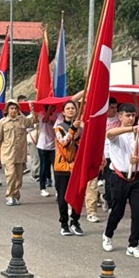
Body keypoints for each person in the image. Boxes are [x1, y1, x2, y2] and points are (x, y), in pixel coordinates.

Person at [102, 102, 139, 258]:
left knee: (137, 212)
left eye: (133, 115)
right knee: (118, 211)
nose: (131, 118)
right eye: (127, 115)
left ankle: (133, 245)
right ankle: (108, 234)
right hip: (119, 177)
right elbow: (110, 134)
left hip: (137, 177)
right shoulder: (117, 134)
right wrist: (131, 129)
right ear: (120, 116)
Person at [0, 100, 36, 206]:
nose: (14, 110)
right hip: (8, 153)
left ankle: (16, 195)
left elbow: (33, 121)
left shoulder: (22, 120)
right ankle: (9, 196)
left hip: (20, 153)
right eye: (12, 108)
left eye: (16, 108)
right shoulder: (3, 122)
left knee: (19, 177)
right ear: (7, 110)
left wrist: (32, 110)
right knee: (11, 175)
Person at [53, 99, 84, 236]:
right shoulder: (58, 127)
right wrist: (72, 130)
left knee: (77, 196)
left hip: (76, 166)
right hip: (62, 166)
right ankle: (64, 223)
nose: (71, 110)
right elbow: (63, 143)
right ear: (63, 111)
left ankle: (75, 221)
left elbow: (82, 146)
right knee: (63, 197)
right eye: (68, 108)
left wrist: (78, 136)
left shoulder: (81, 128)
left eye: (73, 108)